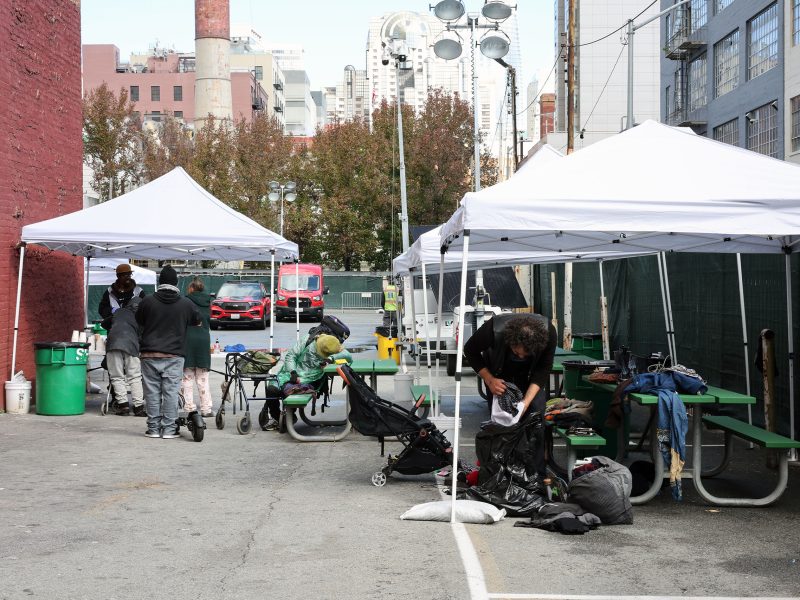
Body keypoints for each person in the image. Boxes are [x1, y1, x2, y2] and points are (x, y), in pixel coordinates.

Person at [136, 265, 201, 439]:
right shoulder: (186, 303)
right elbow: (197, 321)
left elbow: (139, 320)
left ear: (160, 282)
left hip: (149, 355)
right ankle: (170, 430)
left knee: (152, 393)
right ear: (176, 283)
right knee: (171, 392)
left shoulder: (147, 301)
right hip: (174, 355)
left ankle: (153, 429)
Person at [463, 313, 557, 417]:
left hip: (530, 374)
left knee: (535, 412)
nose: (521, 357)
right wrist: (489, 380)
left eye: (526, 355)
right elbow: (469, 350)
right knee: (501, 417)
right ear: (510, 341)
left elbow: (543, 368)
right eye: (516, 353)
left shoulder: (549, 334)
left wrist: (525, 403)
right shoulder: (492, 330)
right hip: (498, 373)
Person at [270, 333, 352, 430]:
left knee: (293, 390)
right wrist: (293, 372)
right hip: (290, 372)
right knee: (271, 389)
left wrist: (330, 359)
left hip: (310, 379)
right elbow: (291, 356)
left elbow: (347, 355)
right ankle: (277, 415)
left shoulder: (332, 346)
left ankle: (289, 416)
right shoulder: (307, 339)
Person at [104, 296, 145, 417]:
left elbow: (104, 323)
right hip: (131, 345)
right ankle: (139, 408)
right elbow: (142, 336)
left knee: (117, 376)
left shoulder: (119, 311)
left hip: (113, 343)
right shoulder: (141, 317)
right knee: (135, 376)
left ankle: (124, 406)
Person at [181, 276, 214, 418]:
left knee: (187, 377)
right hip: (203, 339)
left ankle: (189, 407)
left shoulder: (185, 301)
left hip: (188, 339)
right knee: (202, 378)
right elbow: (211, 321)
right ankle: (206, 408)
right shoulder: (209, 302)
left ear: (191, 288)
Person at [98, 263, 146, 331]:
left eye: (129, 274)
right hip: (115, 329)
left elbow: (145, 310)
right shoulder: (109, 291)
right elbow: (102, 309)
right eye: (125, 275)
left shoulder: (138, 291)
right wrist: (112, 310)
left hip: (133, 330)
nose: (128, 277)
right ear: (118, 276)